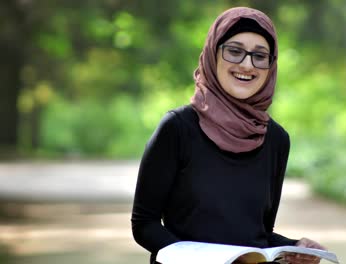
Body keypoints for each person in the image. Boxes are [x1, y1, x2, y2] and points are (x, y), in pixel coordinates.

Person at [131, 6, 326, 264]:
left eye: (260, 56)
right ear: (213, 54)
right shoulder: (178, 128)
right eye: (234, 51)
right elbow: (145, 224)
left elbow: (258, 233)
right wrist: (198, 259)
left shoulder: (276, 139)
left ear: (271, 66)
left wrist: (294, 247)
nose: (247, 64)